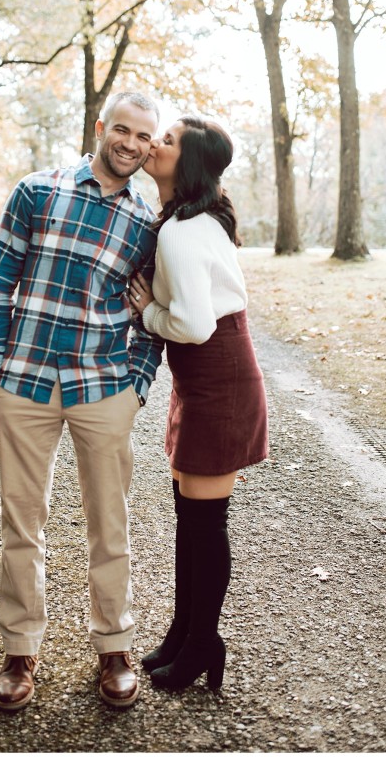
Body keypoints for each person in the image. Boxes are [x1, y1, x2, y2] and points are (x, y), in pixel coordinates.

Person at [0, 91, 164, 712]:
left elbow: (151, 316)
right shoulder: (39, 190)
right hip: (23, 383)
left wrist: (136, 386)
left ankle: (114, 645)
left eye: (145, 136)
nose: (132, 144)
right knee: (21, 522)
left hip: (103, 386)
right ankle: (20, 649)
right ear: (100, 128)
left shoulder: (146, 221)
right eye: (124, 130)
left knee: (111, 525)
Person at [128, 115, 269, 692]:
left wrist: (146, 313)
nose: (153, 144)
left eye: (165, 140)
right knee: (191, 517)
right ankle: (184, 634)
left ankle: (203, 644)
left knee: (204, 523)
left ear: (185, 163)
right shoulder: (186, 221)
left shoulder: (183, 232)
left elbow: (190, 321)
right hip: (204, 379)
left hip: (220, 380)